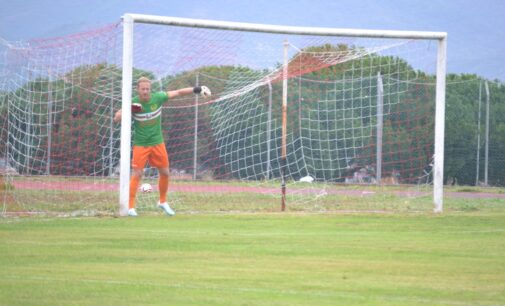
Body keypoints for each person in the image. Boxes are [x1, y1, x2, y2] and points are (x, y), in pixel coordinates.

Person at [114, 77, 211, 216]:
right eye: (143, 89)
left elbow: (178, 92)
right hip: (141, 144)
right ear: (138, 89)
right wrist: (125, 112)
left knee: (165, 173)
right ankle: (130, 207)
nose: (146, 91)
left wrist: (197, 89)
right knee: (138, 173)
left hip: (157, 143)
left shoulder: (158, 98)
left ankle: (163, 201)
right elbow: (116, 118)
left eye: (148, 89)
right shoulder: (133, 103)